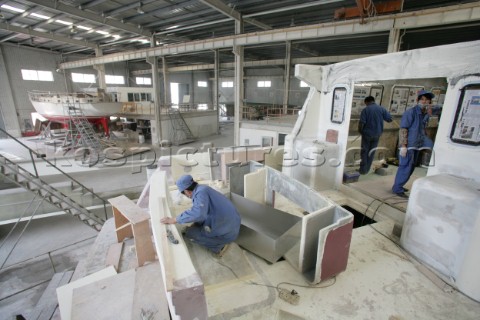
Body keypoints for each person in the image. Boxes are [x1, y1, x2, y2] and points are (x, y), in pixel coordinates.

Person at [161, 174, 241, 257]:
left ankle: (220, 246)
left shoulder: (200, 193)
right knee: (195, 225)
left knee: (190, 233)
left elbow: (198, 213)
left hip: (227, 233)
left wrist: (175, 219)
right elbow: (202, 210)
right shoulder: (202, 188)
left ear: (187, 191)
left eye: (184, 193)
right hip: (232, 225)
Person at [392, 90, 435, 198]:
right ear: (418, 100)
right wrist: (403, 146)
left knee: (411, 168)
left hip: (417, 146)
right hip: (409, 146)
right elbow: (403, 129)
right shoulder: (410, 112)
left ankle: (399, 185)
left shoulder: (424, 114)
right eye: (423, 99)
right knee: (405, 167)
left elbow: (422, 129)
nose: (425, 102)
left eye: (427, 100)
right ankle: (397, 188)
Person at [358, 96, 392, 174]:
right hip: (377, 134)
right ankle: (367, 169)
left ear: (366, 102)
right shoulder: (381, 109)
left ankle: (363, 170)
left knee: (364, 152)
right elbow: (389, 119)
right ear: (373, 101)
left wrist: (360, 131)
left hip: (367, 134)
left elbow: (361, 123)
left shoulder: (365, 110)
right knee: (371, 152)